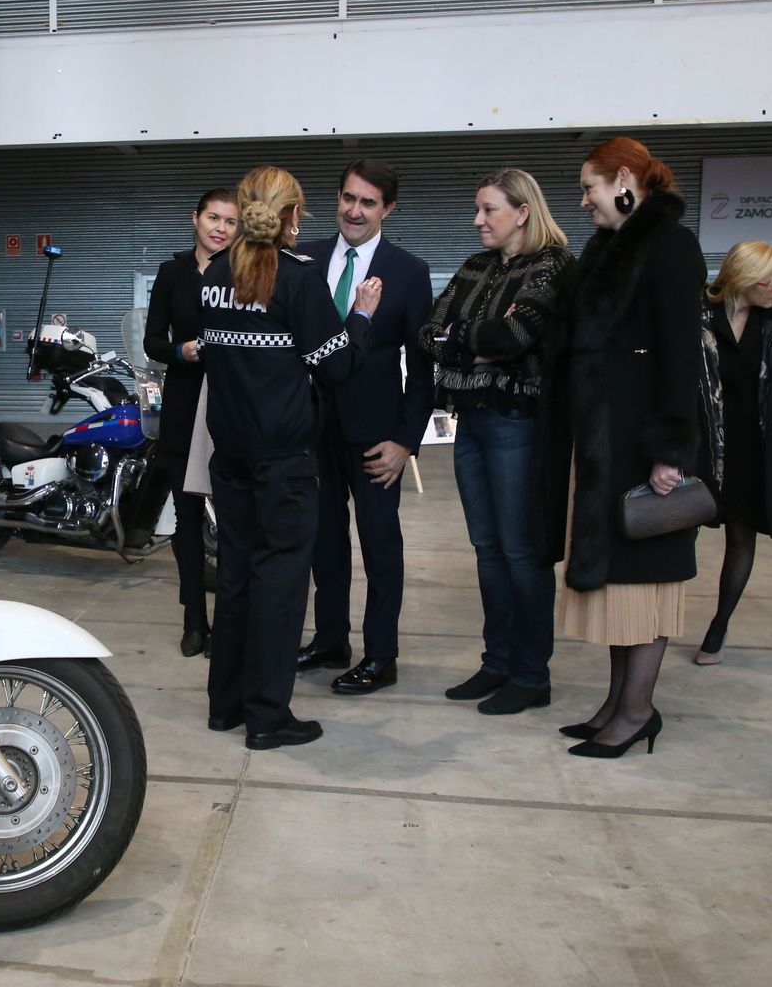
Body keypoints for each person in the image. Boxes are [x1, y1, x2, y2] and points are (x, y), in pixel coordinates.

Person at [201, 165, 379, 749]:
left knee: (234, 579)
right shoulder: (299, 279)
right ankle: (268, 718)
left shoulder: (214, 273)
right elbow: (337, 368)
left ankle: (225, 704)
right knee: (278, 585)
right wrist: (360, 318)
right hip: (283, 462)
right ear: (292, 216)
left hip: (229, 454)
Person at [541, 136, 707, 758]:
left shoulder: (668, 245)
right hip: (605, 440)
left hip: (643, 444)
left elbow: (680, 355)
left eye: (589, 187)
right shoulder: (609, 246)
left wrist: (671, 449)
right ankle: (617, 702)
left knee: (647, 579)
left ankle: (637, 712)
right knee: (618, 586)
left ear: (626, 179)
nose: (583, 201)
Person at [420, 169, 573, 714]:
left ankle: (531, 674)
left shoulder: (552, 265)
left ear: (522, 212)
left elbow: (515, 335)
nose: (477, 220)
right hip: (471, 421)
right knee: (487, 550)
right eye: (478, 209)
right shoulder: (476, 266)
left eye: (489, 210)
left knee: (520, 551)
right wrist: (472, 344)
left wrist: (468, 340)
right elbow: (429, 331)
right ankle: (498, 663)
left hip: (518, 423)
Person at [295, 159, 434, 696]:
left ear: (388, 209)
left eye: (368, 202)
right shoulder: (303, 258)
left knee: (380, 545)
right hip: (309, 428)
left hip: (377, 434)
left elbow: (423, 369)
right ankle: (331, 638)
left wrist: (405, 441)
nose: (355, 210)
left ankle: (382, 654)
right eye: (348, 198)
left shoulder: (408, 271)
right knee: (323, 542)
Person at [693, 241, 772, 665]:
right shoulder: (697, 315)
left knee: (741, 537)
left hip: (754, 450)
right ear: (745, 277)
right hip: (701, 444)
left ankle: (719, 625)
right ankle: (657, 621)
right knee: (677, 529)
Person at [144, 188, 239, 656]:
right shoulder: (172, 271)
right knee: (185, 518)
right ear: (195, 218)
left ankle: (231, 620)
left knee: (234, 518)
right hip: (184, 400)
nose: (220, 228)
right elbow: (151, 342)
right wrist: (180, 351)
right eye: (213, 218)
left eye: (230, 221)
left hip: (231, 401)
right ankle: (194, 621)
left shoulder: (244, 270)